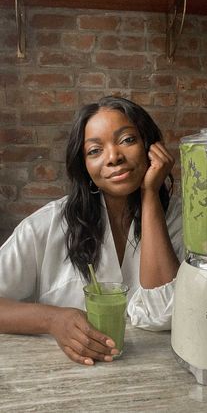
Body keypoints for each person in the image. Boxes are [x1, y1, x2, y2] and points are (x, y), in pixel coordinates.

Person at [0, 96, 184, 365]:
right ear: (84, 167)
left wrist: (149, 195)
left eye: (127, 140)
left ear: (151, 146)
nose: (113, 158)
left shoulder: (184, 219)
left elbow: (161, 314)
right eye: (95, 151)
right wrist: (53, 319)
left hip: (159, 380)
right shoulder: (46, 226)